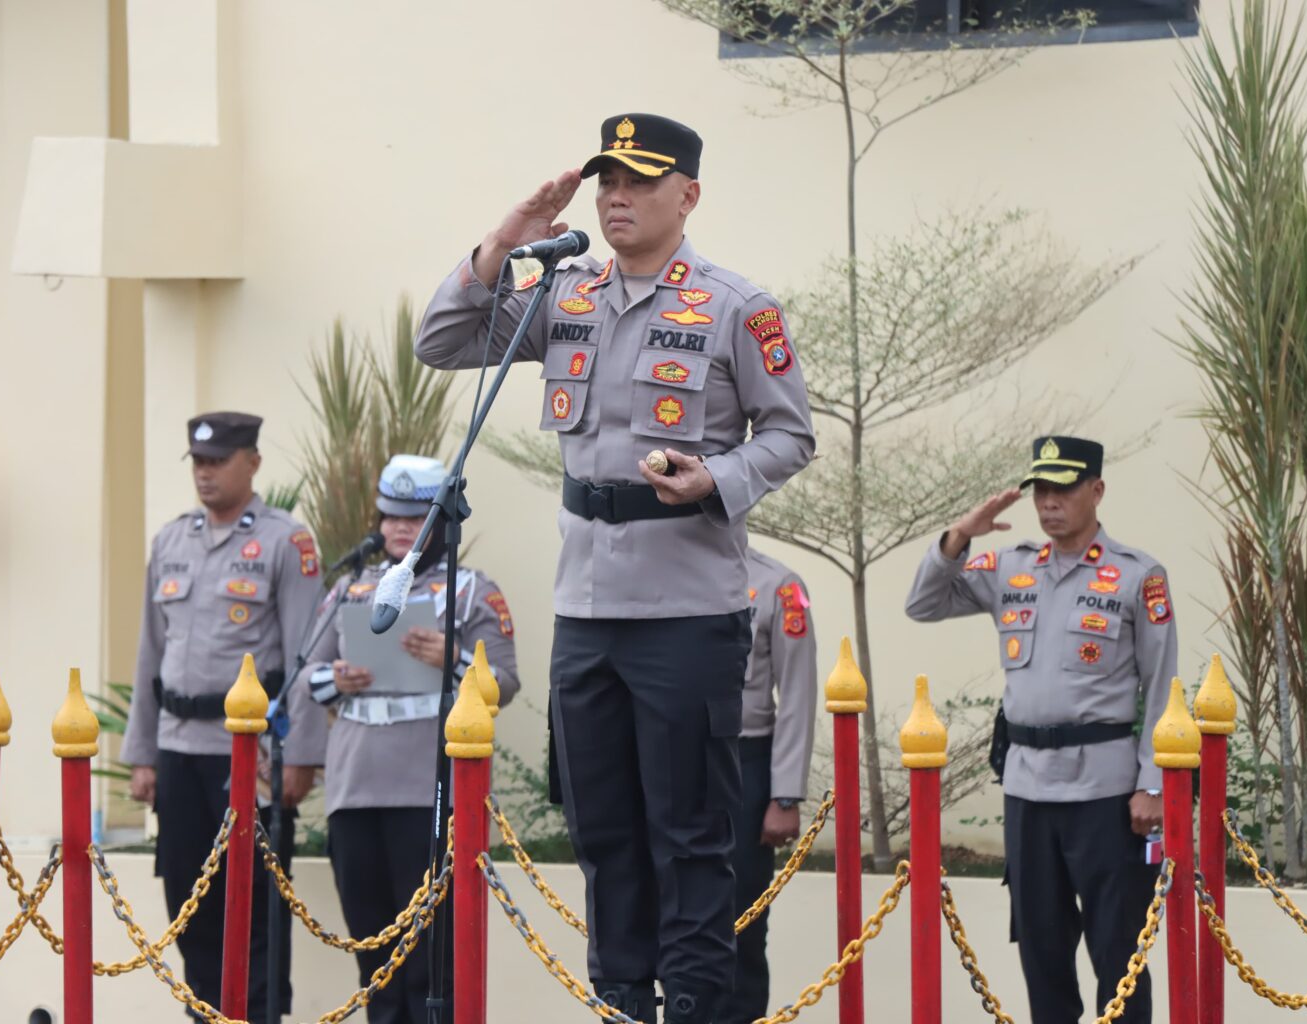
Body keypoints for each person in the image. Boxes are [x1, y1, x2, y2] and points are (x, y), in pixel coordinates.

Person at [414, 114, 815, 1023]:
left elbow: (792, 432)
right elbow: (440, 342)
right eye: (608, 182)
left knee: (689, 839)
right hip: (588, 607)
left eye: (638, 181)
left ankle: (701, 1008)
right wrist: (509, 236)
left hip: (686, 610)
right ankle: (623, 1002)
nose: (616, 197)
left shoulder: (732, 306)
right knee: (604, 835)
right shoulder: (571, 292)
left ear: (689, 195)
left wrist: (716, 476)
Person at [904, 436, 1176, 1024]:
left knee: (1118, 949)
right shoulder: (1010, 565)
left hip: (1106, 793)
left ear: (1096, 491)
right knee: (1041, 948)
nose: (1049, 503)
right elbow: (923, 604)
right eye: (1041, 491)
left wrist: (1153, 785)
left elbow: (1162, 688)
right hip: (1028, 789)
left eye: (1064, 489)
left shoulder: (1137, 576)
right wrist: (959, 536)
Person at [296, 454, 521, 1024]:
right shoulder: (351, 588)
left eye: (415, 516)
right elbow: (306, 673)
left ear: (441, 521)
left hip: (429, 792)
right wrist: (336, 678)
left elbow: (507, 681)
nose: (400, 528)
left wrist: (454, 659)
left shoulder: (472, 591)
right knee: (373, 957)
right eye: (391, 516)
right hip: (355, 789)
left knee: (430, 958)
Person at [121, 412, 325, 1023]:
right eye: (199, 463)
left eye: (218, 461)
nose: (205, 474)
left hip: (250, 755)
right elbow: (148, 654)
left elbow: (304, 655)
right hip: (180, 748)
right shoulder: (172, 541)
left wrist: (304, 757)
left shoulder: (287, 542)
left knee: (256, 906)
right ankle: (205, 1015)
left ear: (252, 462)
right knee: (188, 900)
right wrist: (142, 754)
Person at [717, 548, 817, 1024]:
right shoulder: (663, 580)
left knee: (743, 920)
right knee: (665, 911)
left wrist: (785, 794)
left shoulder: (780, 585)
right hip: (673, 762)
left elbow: (796, 693)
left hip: (746, 765)